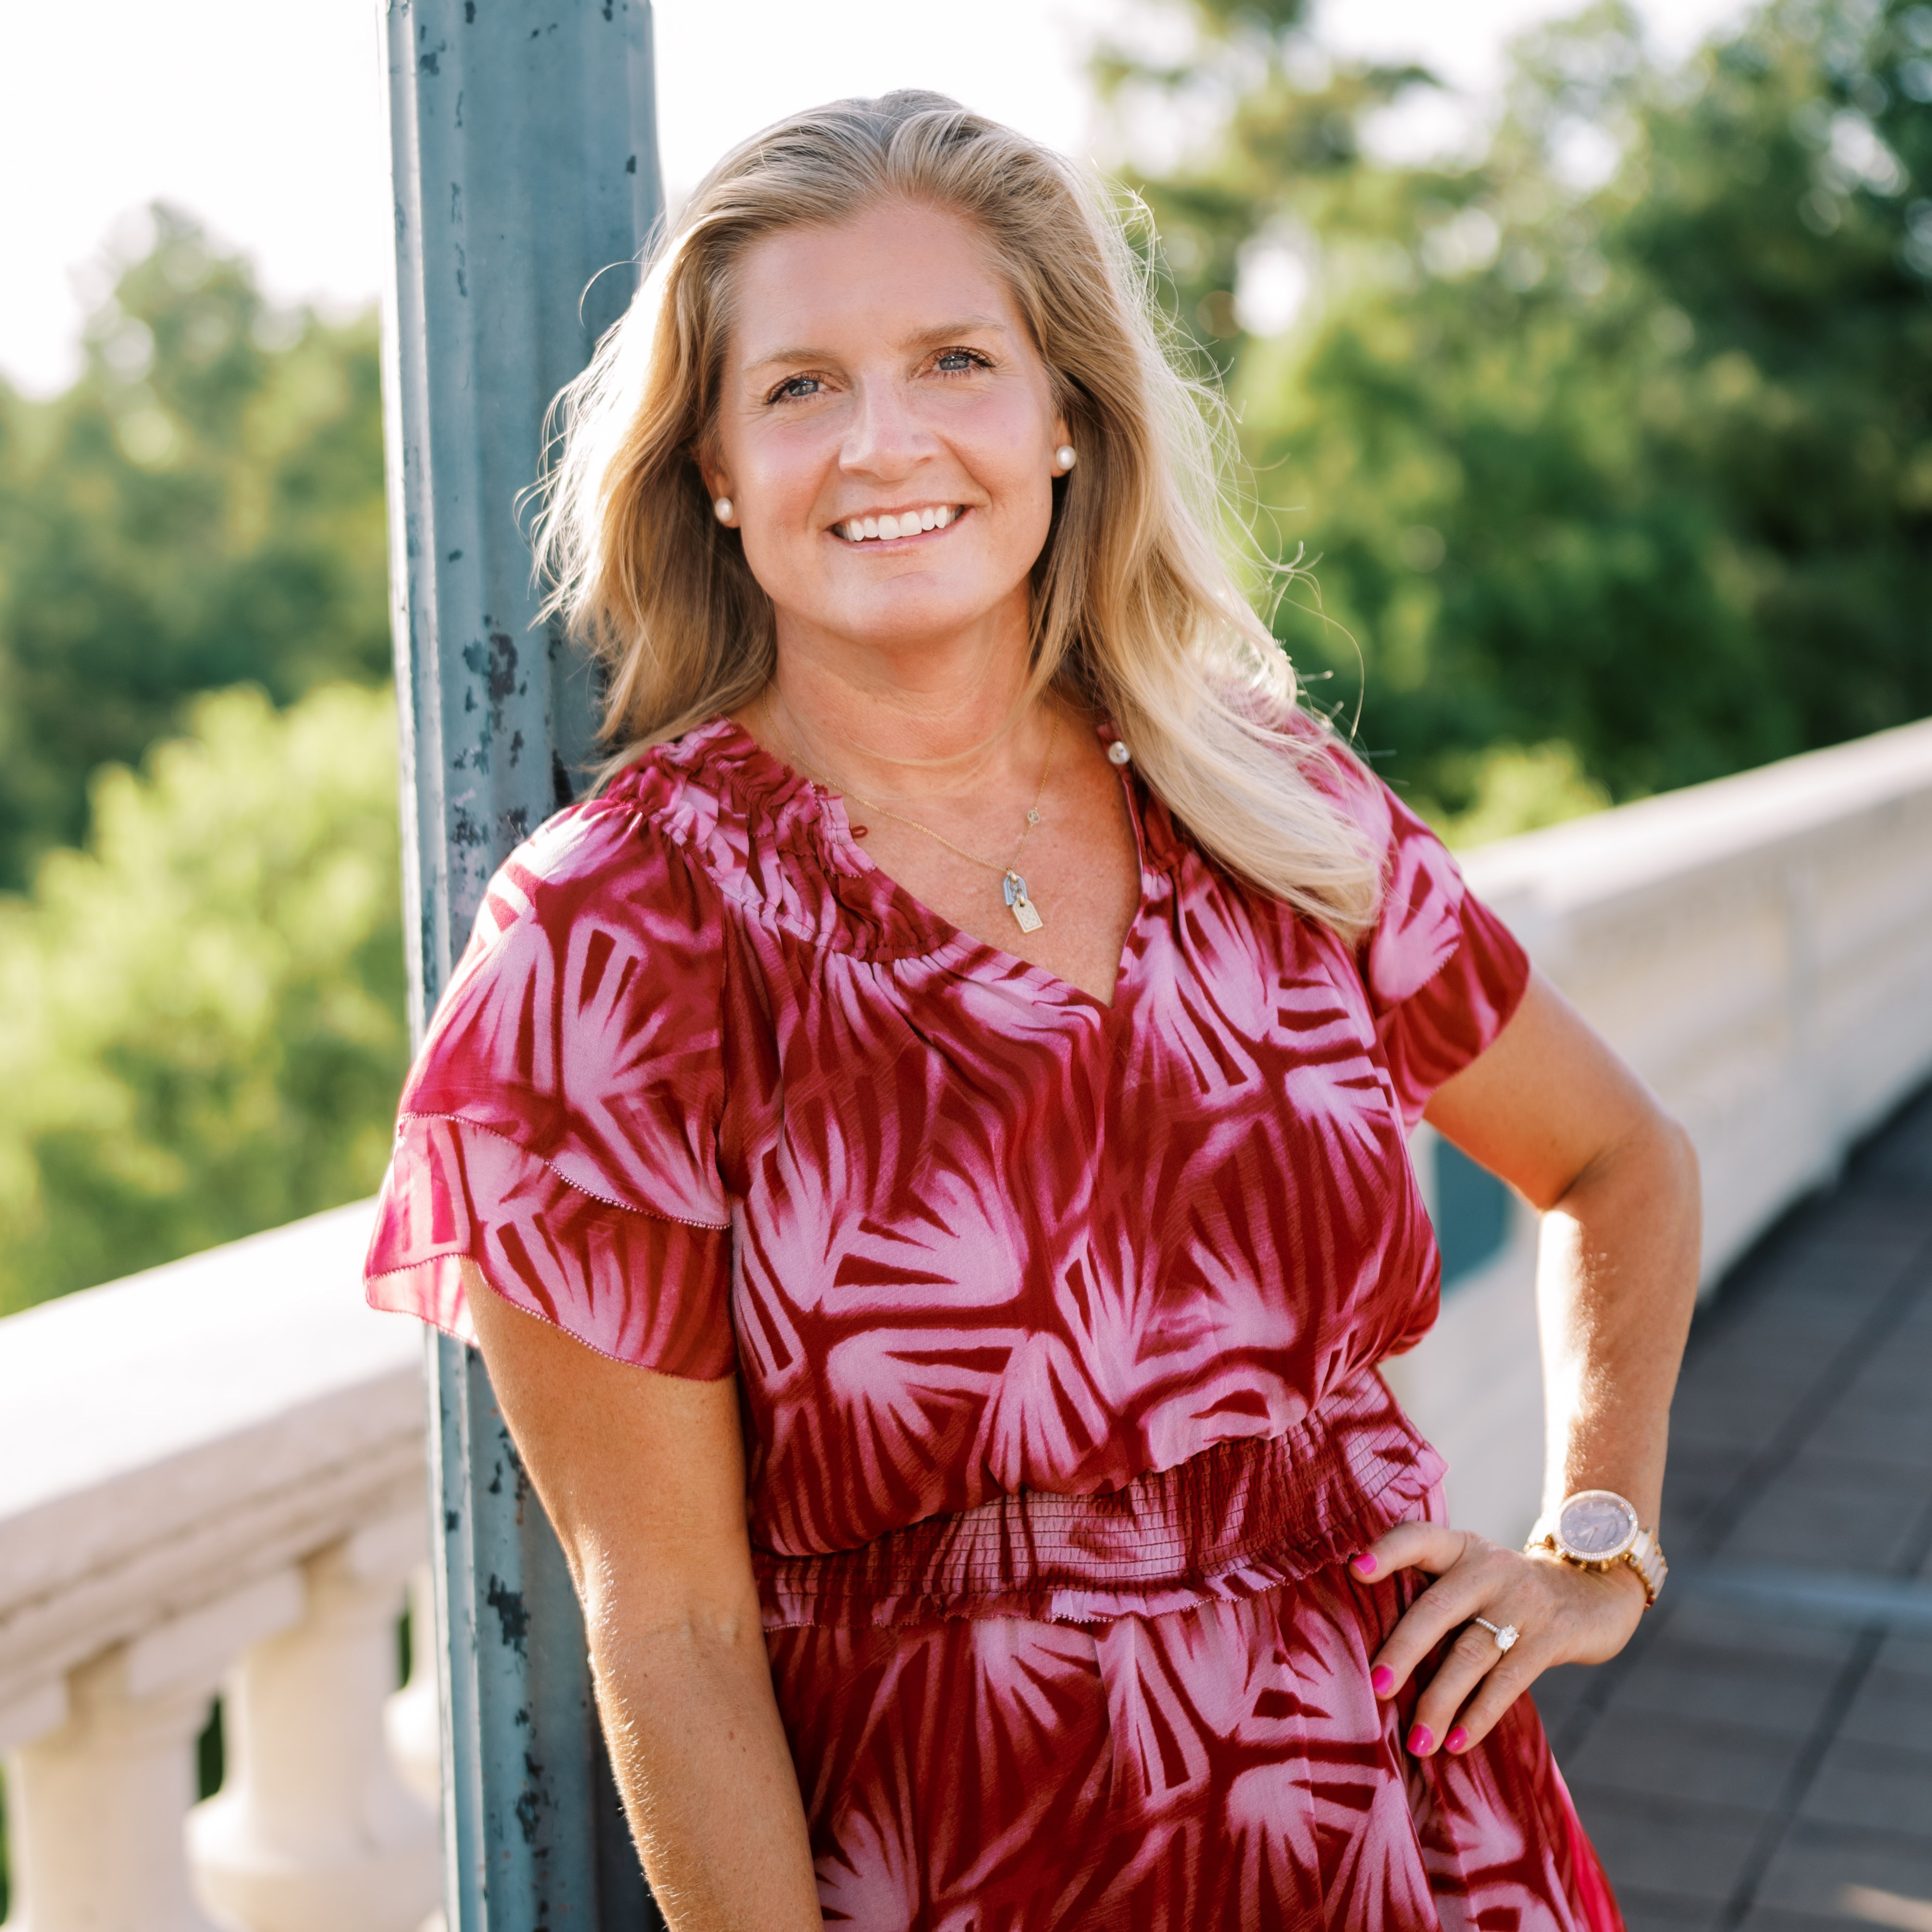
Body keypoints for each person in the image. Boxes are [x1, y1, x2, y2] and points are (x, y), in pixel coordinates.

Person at [365, 91, 1700, 1930]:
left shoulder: (1270, 801)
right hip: (984, 1870)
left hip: (1429, 1851)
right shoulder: (614, 943)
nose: (884, 439)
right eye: (800, 387)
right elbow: (664, 1628)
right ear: (715, 473)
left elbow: (1618, 1158)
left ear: (1063, 418)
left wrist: (1592, 1547)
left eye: (953, 359)